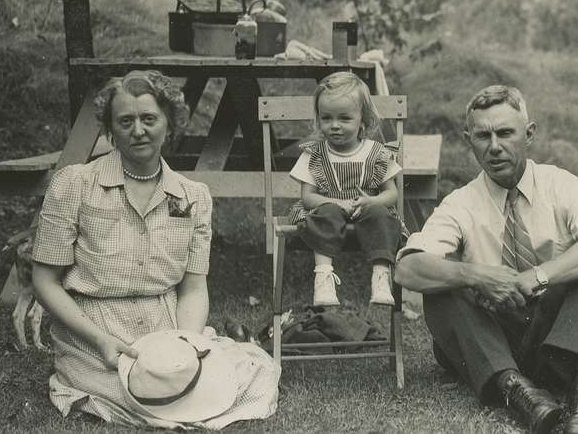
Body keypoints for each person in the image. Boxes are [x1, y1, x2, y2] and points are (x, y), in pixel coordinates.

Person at [30, 70, 279, 428]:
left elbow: (193, 288)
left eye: (149, 119)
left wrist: (186, 344)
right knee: (147, 403)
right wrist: (100, 340)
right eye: (125, 121)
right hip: (94, 331)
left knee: (243, 375)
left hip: (166, 327)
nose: (138, 130)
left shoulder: (193, 197)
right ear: (110, 129)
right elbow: (44, 281)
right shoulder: (75, 184)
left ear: (170, 124)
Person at [395, 85, 578, 434]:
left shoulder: (561, 185)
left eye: (505, 133)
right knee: (441, 284)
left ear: (528, 134)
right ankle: (517, 391)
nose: (495, 146)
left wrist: (539, 275)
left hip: (557, 339)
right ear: (469, 139)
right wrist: (478, 276)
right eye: (483, 136)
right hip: (493, 340)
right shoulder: (461, 202)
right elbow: (407, 268)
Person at [288, 72, 403, 307]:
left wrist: (373, 201)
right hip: (328, 213)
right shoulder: (315, 154)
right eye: (326, 118)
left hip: (367, 212)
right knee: (325, 212)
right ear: (318, 118)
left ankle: (381, 276)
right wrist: (336, 203)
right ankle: (323, 276)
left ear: (363, 120)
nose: (335, 126)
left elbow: (392, 194)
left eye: (344, 118)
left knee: (381, 213)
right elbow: (308, 197)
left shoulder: (376, 153)